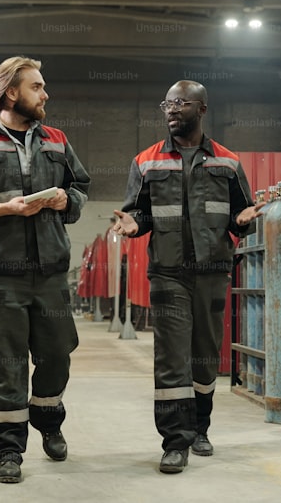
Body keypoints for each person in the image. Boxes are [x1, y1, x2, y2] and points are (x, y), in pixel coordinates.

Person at [0, 56, 90, 484]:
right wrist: (1, 209)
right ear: (11, 93)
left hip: (50, 271)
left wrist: (66, 200)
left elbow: (81, 187)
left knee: (57, 353)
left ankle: (48, 419)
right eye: (37, 87)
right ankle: (7, 449)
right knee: (4, 363)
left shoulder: (57, 141)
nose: (46, 95)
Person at [112, 80, 262, 474]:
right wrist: (133, 224)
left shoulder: (228, 163)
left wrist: (244, 222)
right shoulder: (146, 161)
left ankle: (200, 428)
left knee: (204, 355)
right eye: (167, 104)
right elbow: (138, 212)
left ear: (202, 109)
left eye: (180, 103)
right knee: (171, 358)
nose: (172, 110)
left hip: (213, 272)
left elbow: (241, 214)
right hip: (168, 273)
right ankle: (175, 441)